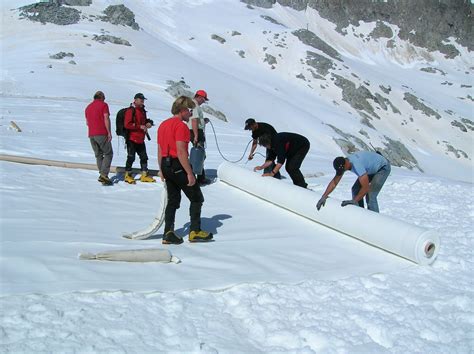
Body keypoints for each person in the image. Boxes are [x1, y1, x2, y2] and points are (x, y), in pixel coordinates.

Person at [157, 96, 213, 244]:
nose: (190, 113)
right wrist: (189, 173)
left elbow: (160, 149)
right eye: (189, 110)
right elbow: (181, 151)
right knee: (196, 198)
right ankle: (195, 231)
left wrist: (161, 169)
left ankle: (168, 232)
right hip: (178, 165)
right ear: (182, 110)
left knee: (173, 200)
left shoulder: (163, 124)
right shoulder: (181, 126)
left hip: (166, 165)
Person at [316, 151, 391, 213]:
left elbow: (365, 188)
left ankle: (375, 221)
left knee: (370, 195)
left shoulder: (357, 165)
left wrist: (354, 200)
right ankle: (360, 213)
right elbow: (335, 182)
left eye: (343, 170)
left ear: (346, 164)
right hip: (370, 168)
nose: (342, 172)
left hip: (383, 168)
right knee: (355, 189)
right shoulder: (344, 163)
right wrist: (324, 196)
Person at [123, 93, 156, 184]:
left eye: (143, 99)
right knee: (131, 157)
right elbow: (127, 124)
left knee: (144, 157)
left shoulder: (142, 110)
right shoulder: (131, 110)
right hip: (132, 138)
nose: (142, 101)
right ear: (135, 100)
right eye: (140, 99)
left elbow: (144, 121)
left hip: (140, 138)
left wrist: (149, 122)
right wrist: (140, 126)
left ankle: (144, 174)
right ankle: (127, 175)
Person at [85, 90, 113, 186]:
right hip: (101, 133)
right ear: (101, 97)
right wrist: (109, 132)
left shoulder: (88, 107)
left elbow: (87, 123)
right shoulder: (103, 105)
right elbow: (106, 118)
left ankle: (102, 174)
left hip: (91, 134)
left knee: (98, 155)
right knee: (108, 153)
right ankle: (104, 175)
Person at [187, 90, 211, 185]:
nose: (203, 102)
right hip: (196, 131)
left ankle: (199, 176)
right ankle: (199, 178)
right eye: (204, 100)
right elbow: (194, 121)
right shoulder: (195, 106)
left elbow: (195, 120)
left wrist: (203, 121)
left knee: (198, 154)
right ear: (200, 97)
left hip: (193, 130)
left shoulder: (191, 105)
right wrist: (196, 135)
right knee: (199, 154)